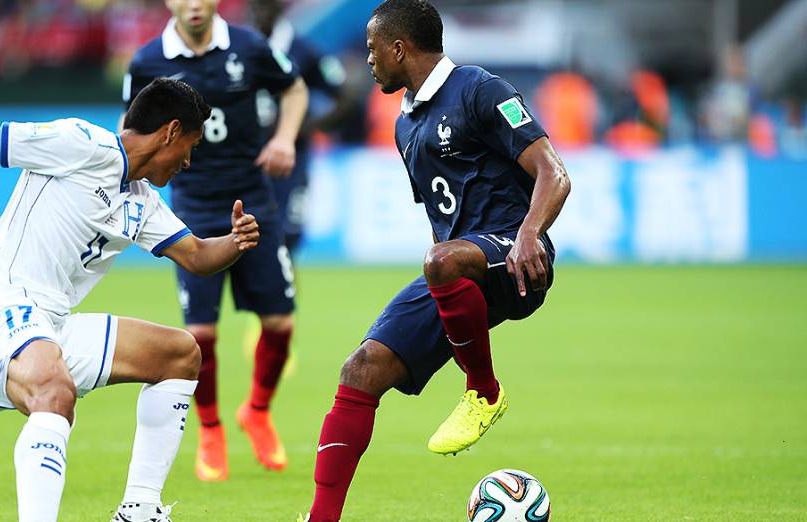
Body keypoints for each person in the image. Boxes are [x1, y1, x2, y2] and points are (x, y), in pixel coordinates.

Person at [0, 78, 262, 522]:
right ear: (171, 132)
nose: (188, 162)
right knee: (54, 390)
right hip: (1, 306)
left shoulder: (141, 201)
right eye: (190, 146)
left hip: (53, 324)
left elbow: (196, 255)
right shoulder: (81, 143)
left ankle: (140, 509)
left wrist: (235, 241)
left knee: (179, 353)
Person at [299, 1, 571, 520]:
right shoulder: (405, 125)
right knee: (360, 369)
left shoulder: (480, 90)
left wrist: (529, 234)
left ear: (400, 48)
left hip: (516, 259)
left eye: (374, 49)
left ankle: (483, 392)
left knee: (440, 261)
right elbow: (439, 222)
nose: (369, 60)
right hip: (455, 268)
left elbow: (553, 173)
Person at [124, 0, 308, 481]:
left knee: (280, 323)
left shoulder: (248, 47)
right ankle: (210, 429)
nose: (194, 4)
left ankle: (258, 412)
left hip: (255, 202)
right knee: (201, 333)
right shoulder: (147, 61)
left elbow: (294, 89)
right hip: (193, 207)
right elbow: (132, 133)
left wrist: (286, 138)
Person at [249, 0, 346, 255]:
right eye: (253, 7)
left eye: (263, 7)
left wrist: (307, 127)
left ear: (278, 8)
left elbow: (344, 95)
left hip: (291, 159)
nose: (258, 13)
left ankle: (280, 290)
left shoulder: (304, 51)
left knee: (288, 232)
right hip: (248, 155)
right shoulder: (243, 47)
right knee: (250, 233)